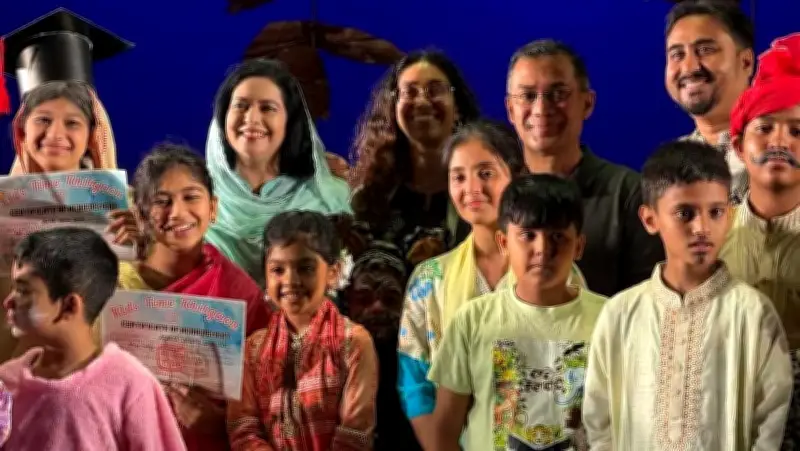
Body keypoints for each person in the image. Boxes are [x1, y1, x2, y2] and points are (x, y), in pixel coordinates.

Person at [582, 140, 793, 450]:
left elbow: (770, 418)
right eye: (685, 213)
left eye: (715, 212)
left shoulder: (751, 311)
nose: (702, 228)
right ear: (650, 220)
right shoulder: (621, 313)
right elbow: (599, 419)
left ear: (730, 215)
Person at [397, 119, 587, 448]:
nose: (472, 188)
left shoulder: (559, 271)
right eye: (459, 177)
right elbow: (415, 383)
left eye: (485, 173)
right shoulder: (429, 280)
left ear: (516, 176)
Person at [428, 174, 605, 451]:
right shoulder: (473, 320)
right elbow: (444, 431)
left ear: (579, 246)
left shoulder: (610, 319)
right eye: (528, 235)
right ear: (503, 243)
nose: (542, 249)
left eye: (557, 236)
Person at [114, 142, 269, 450]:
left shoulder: (239, 293)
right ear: (140, 215)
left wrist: (220, 423)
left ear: (213, 208)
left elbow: (267, 397)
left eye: (191, 197)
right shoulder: (113, 285)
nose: (177, 213)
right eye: (162, 201)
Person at [0, 227, 185, 450]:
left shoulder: (130, 385)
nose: (8, 302)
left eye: (23, 291)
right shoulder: (6, 381)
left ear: (69, 306)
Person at [505, 39, 663, 297]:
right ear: (511, 110)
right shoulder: (496, 192)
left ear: (587, 103)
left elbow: (646, 303)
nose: (541, 109)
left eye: (558, 94)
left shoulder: (628, 194)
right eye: (528, 96)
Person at [227, 211, 378, 450]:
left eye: (305, 268)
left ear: (333, 272)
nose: (290, 281)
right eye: (278, 270)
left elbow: (355, 433)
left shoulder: (353, 343)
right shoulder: (254, 349)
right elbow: (243, 427)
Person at [720, 32, 800, 447]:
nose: (780, 142)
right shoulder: (711, 235)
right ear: (738, 145)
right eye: (765, 128)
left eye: (797, 131)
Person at [205, 58, 351, 286]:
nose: (251, 119)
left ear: (289, 122)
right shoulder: (192, 199)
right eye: (241, 106)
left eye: (267, 108)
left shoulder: (332, 197)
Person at [349, 49, 481, 265]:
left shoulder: (484, 194)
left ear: (457, 107)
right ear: (394, 108)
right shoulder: (369, 198)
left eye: (435, 90)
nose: (422, 101)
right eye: (410, 92)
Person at [665, 0, 755, 203]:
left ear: (746, 62)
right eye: (677, 55)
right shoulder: (670, 164)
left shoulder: (786, 145)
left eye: (705, 50)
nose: (689, 67)